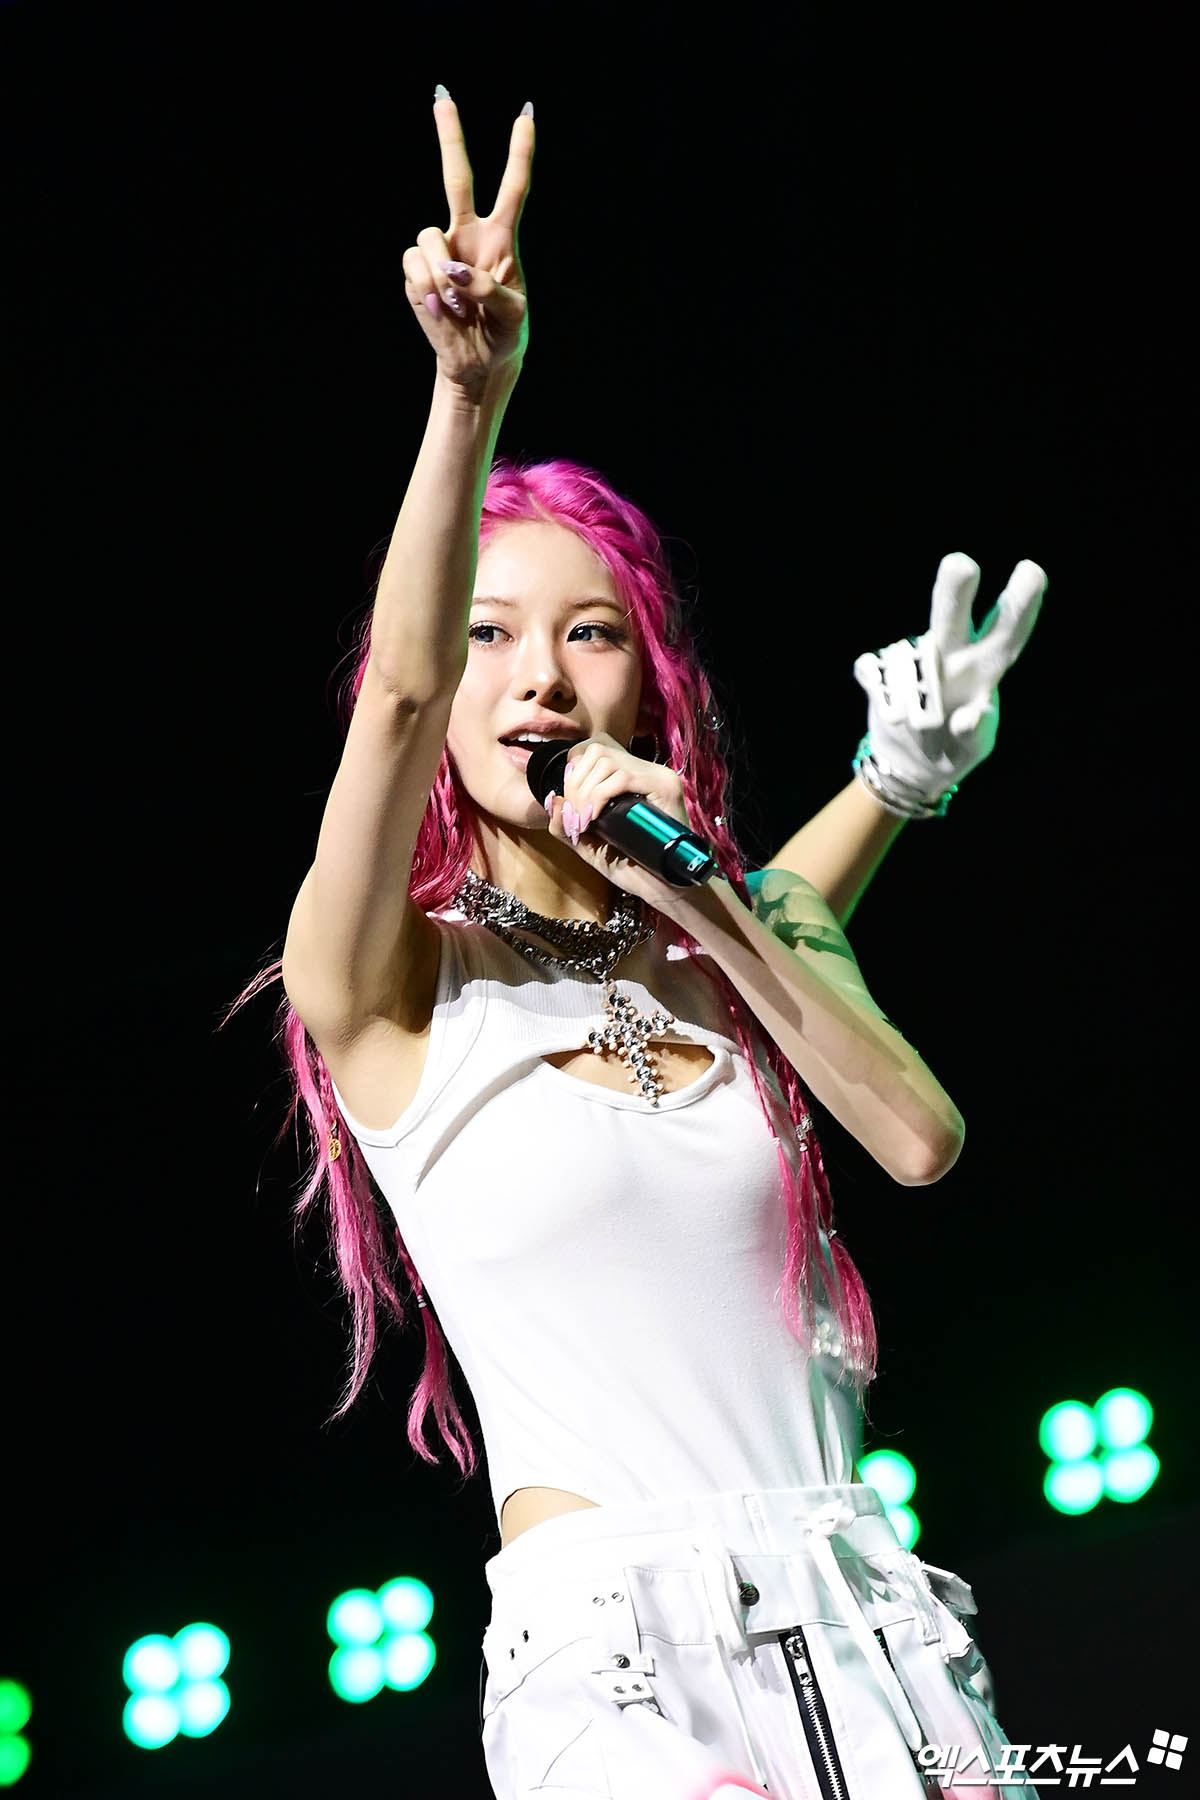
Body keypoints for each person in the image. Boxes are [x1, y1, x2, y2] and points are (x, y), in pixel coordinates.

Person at [231, 90, 1045, 1800]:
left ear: (649, 683)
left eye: (589, 632)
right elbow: (393, 702)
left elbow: (917, 1137)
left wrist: (826, 824)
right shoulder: (390, 984)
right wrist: (470, 395)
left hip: (871, 1627)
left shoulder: (735, 931)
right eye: (490, 636)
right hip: (615, 1670)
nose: (538, 674)